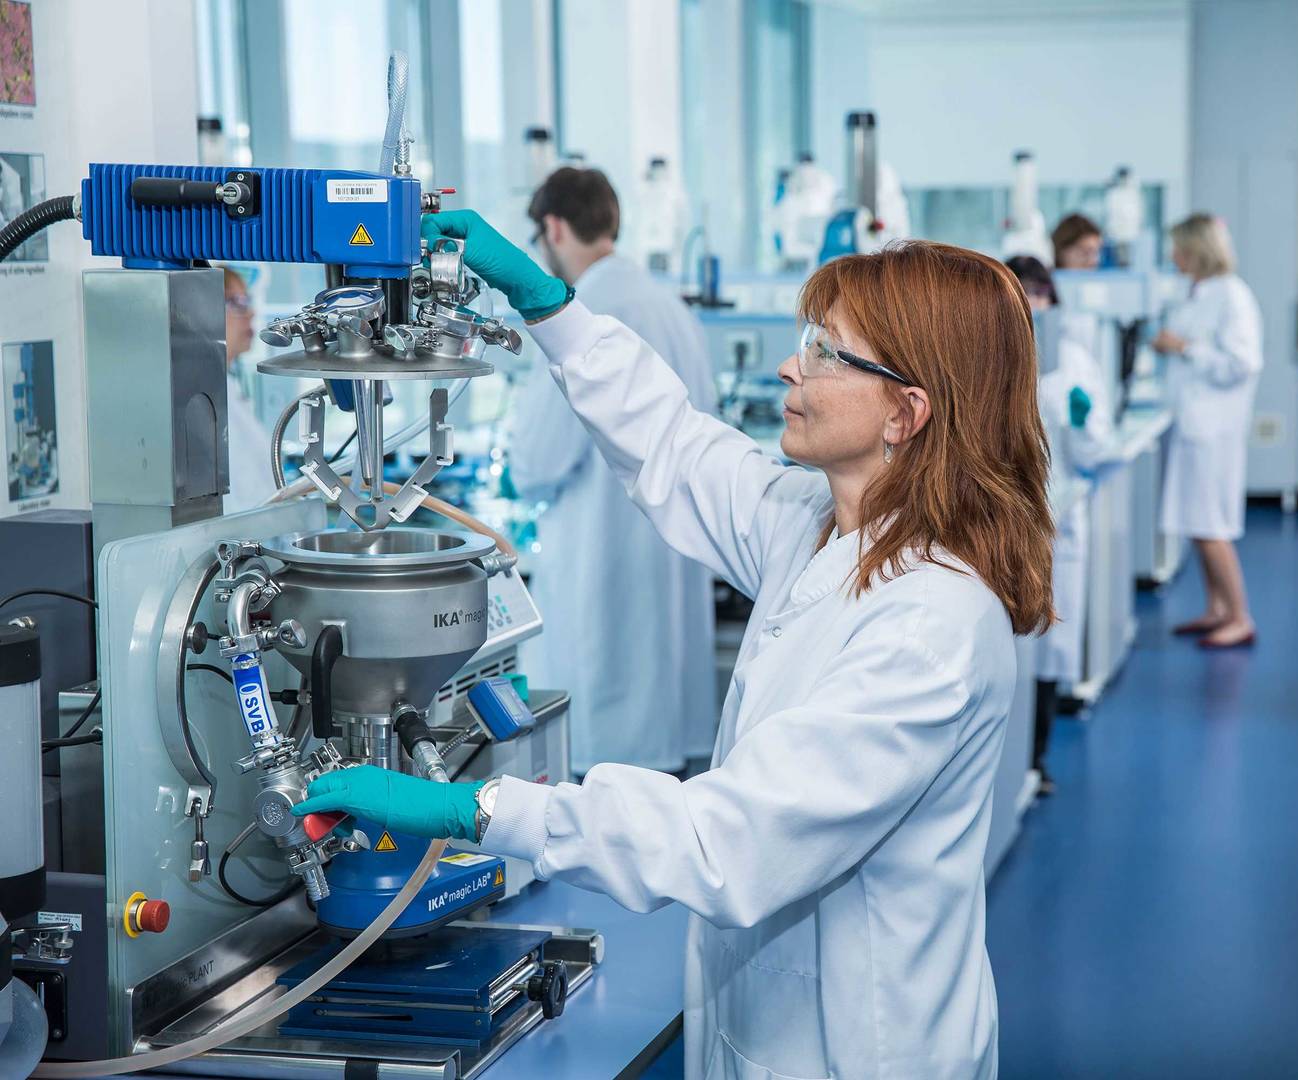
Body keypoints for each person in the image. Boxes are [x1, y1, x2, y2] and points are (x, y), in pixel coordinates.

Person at [296, 216, 1056, 1079]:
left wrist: (479, 811)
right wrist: (550, 307)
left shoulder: (932, 627)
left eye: (826, 351)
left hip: (863, 1051)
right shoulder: (813, 523)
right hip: (764, 1028)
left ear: (905, 413)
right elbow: (675, 445)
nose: (788, 366)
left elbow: (723, 843)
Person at [505, 167, 719, 776]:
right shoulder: (669, 306)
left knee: (608, 776)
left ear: (552, 227)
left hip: (604, 568)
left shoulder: (581, 316)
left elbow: (535, 463)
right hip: (674, 555)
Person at [1007, 255, 1114, 796]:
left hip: (1057, 514)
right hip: (999, 515)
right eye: (1019, 294)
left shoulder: (1073, 359)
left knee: (1048, 643)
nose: (1031, 305)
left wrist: (1080, 419)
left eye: (1039, 294)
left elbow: (1097, 444)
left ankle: (1037, 758)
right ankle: (1005, 768)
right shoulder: (988, 351)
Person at [1151, 213, 1263, 649]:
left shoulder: (1233, 296)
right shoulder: (1195, 292)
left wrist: (1184, 348)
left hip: (1214, 428)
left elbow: (1243, 363)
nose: (1172, 255)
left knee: (1211, 524)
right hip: (1194, 422)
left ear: (1198, 250)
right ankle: (1217, 608)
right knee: (1198, 524)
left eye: (1178, 247)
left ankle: (1239, 615)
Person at [221, 267, 277, 514]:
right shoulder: (201, 399)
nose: (251, 313)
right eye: (237, 302)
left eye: (248, 301)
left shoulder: (230, 387)